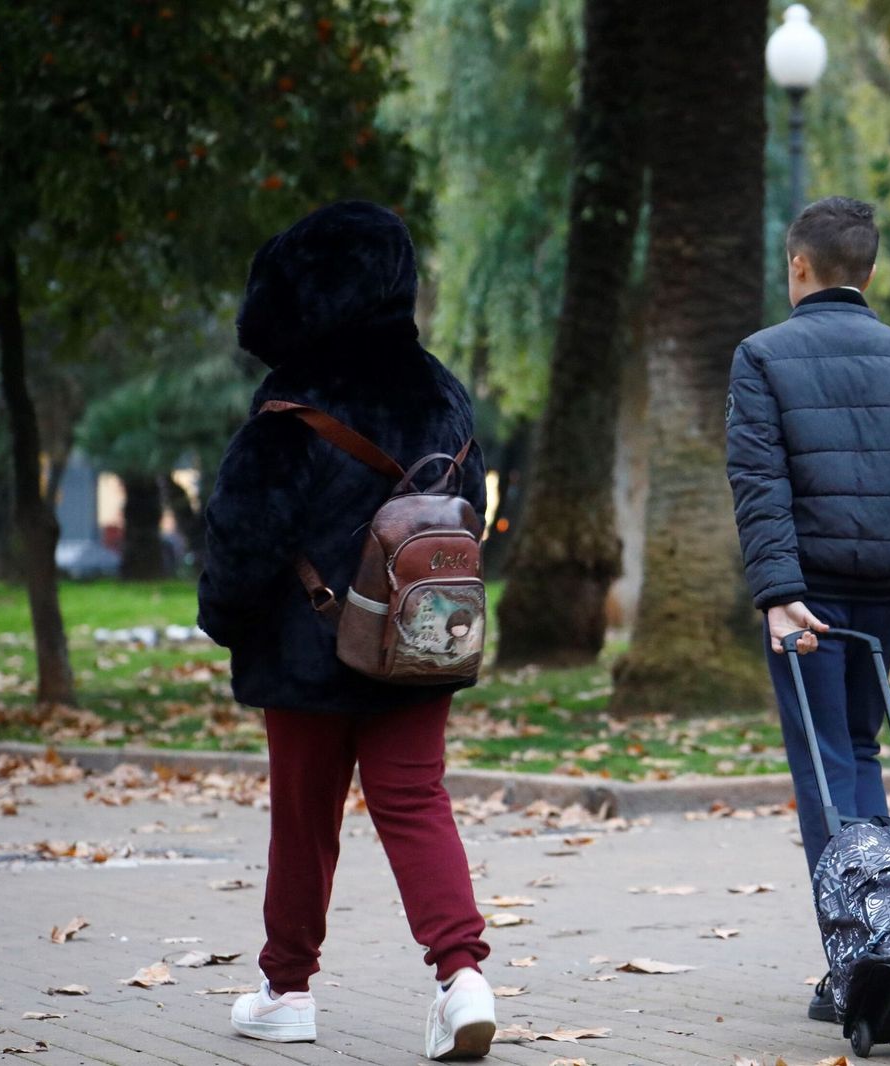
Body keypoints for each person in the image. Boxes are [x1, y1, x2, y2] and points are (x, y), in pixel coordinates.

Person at [198, 201, 498, 1059]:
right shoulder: (443, 391)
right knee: (414, 802)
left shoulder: (293, 399)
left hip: (306, 649)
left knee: (304, 817)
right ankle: (461, 975)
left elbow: (243, 530)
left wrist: (224, 618)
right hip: (419, 635)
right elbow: (463, 507)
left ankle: (287, 989)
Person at [725, 196, 890, 1022]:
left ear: (799, 265)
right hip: (887, 588)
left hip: (809, 596)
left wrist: (778, 594)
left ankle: (857, 959)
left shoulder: (761, 355)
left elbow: (760, 486)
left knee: (825, 767)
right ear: (869, 270)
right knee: (861, 754)